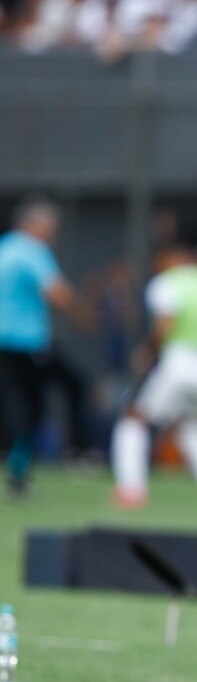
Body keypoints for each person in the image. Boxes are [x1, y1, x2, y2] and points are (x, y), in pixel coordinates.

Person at [110, 229, 197, 507]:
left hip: (177, 363)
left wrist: (148, 352)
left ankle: (131, 488)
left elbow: (165, 324)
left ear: (169, 257)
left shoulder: (166, 283)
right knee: (188, 421)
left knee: (133, 419)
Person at [0, 197, 89, 496]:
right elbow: (59, 293)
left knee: (18, 405)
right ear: (33, 225)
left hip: (7, 342)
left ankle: (20, 469)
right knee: (44, 400)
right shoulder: (32, 251)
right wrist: (87, 319)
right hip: (26, 343)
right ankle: (77, 451)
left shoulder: (5, 247)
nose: (53, 234)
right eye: (50, 228)